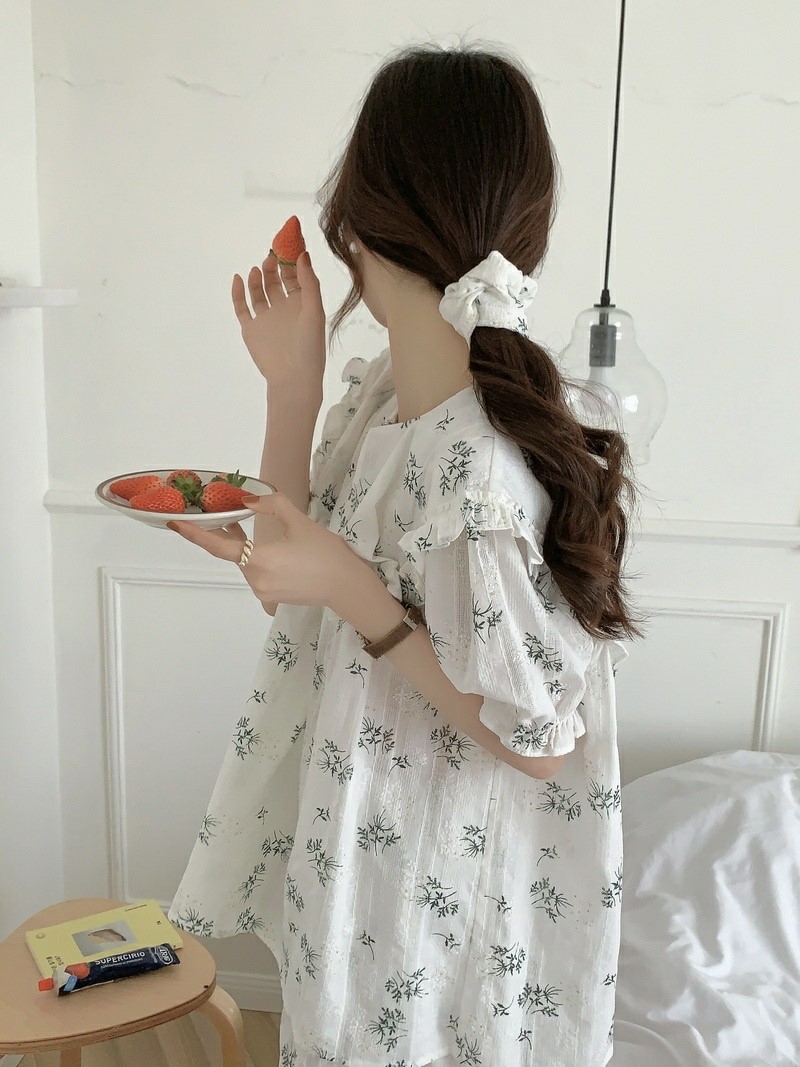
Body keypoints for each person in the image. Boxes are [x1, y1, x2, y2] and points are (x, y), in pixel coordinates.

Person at [166, 39, 647, 1067]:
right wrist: (291, 386)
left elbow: (538, 740)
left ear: (360, 221)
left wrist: (348, 587)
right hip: (355, 847)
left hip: (432, 889)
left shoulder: (480, 468)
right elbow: (296, 586)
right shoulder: (389, 398)